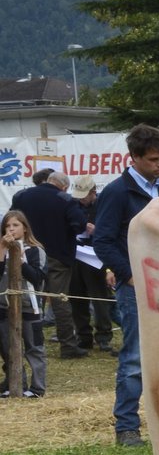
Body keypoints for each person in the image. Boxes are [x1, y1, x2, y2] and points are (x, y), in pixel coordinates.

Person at [92, 125, 159, 446]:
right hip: (134, 288)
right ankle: (127, 426)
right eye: (154, 159)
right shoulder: (117, 192)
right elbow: (103, 240)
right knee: (134, 357)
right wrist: (128, 274)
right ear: (135, 158)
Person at [12, 169, 88, 359]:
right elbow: (79, 224)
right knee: (59, 300)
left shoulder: (22, 196)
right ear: (64, 186)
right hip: (57, 257)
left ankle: (18, 344)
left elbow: (10, 221)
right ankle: (68, 346)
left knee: (24, 299)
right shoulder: (65, 199)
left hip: (26, 254)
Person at [65, 175, 115, 355]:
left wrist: (97, 230)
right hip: (76, 254)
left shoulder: (104, 205)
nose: (81, 199)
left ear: (93, 192)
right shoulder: (72, 204)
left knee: (99, 297)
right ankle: (83, 336)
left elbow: (112, 229)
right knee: (77, 297)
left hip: (97, 256)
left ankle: (104, 336)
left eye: (84, 195)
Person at [1, 209, 48, 398]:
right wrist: (3, 249)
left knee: (34, 347)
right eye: (7, 225)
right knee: (8, 348)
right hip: (4, 306)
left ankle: (37, 388)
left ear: (25, 229)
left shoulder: (36, 250)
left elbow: (38, 277)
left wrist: (20, 259)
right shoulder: (2, 248)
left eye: (15, 225)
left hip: (30, 305)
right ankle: (15, 384)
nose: (11, 229)